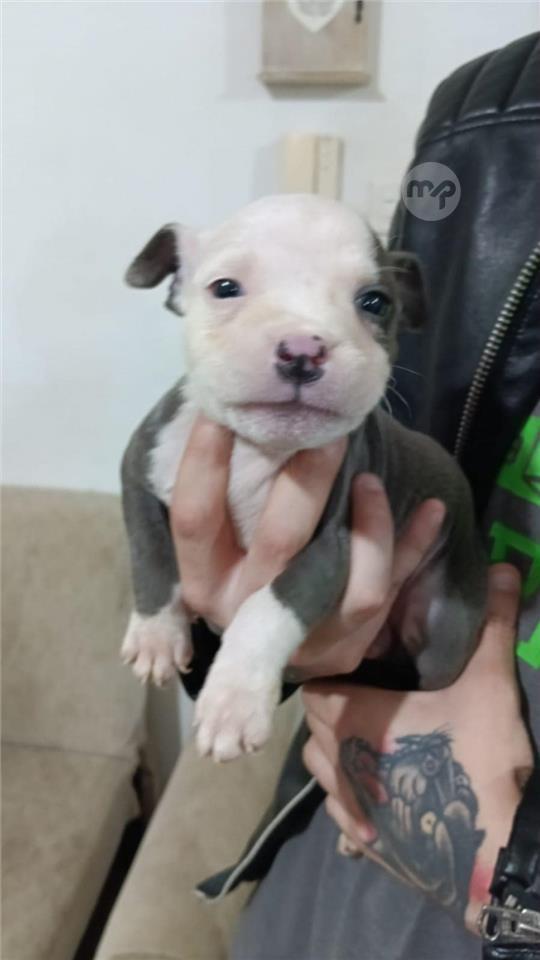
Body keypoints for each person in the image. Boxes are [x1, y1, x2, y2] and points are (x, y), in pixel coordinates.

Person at [172, 33, 540, 960]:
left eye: (365, 300)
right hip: (326, 858)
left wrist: (515, 883)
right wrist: (248, 637)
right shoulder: (489, 110)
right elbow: (365, 459)